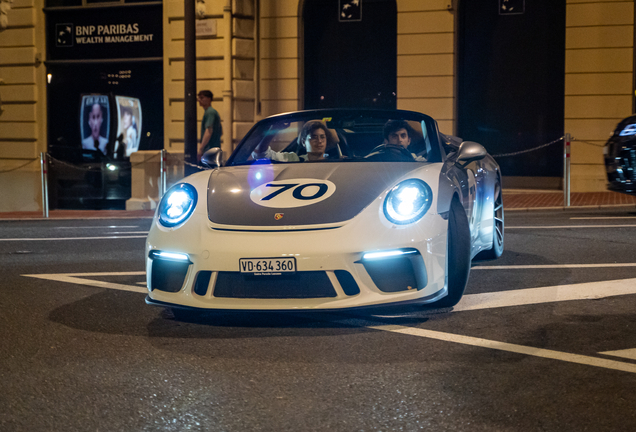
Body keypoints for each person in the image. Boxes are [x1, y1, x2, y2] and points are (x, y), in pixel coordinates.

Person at [252, 120, 336, 162]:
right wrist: (274, 129)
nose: (319, 141)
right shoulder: (294, 159)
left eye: (322, 137)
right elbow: (261, 154)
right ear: (303, 142)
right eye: (314, 137)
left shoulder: (336, 161)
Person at [197, 90, 223, 163]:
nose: (199, 100)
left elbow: (209, 131)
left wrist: (201, 148)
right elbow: (221, 132)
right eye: (199, 98)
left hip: (209, 150)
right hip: (214, 150)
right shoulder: (212, 112)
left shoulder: (210, 112)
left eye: (202, 98)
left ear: (209, 99)